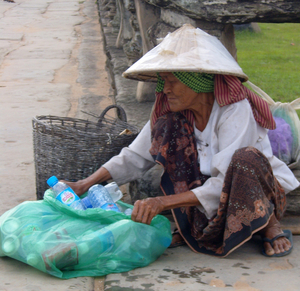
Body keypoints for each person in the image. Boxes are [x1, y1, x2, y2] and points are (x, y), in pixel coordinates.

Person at [65, 24, 299, 257]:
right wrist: (85, 184)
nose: (165, 89)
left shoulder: (234, 110)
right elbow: (136, 155)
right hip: (211, 193)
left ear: (197, 82)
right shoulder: (173, 114)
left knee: (245, 158)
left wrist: (162, 203)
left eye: (172, 81)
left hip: (252, 191)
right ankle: (195, 227)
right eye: (163, 81)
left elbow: (225, 180)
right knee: (167, 127)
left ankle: (269, 223)